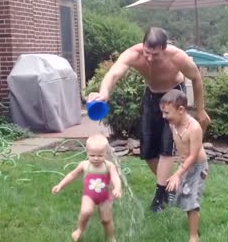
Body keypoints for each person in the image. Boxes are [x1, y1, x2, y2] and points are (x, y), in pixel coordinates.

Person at [87, 27, 211, 212]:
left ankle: (160, 197)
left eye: (156, 54)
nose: (150, 58)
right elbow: (113, 74)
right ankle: (170, 185)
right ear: (143, 46)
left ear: (164, 48)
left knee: (166, 147)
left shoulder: (177, 56)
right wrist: (104, 92)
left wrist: (200, 109)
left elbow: (196, 78)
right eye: (147, 52)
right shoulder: (133, 54)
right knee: (148, 152)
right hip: (151, 96)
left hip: (174, 94)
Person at [52, 134, 122, 242]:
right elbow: (72, 175)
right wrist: (60, 185)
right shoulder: (84, 165)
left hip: (106, 197)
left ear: (106, 153)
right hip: (89, 196)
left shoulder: (109, 165)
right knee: (86, 211)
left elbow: (115, 177)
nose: (96, 158)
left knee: (106, 220)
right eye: (92, 155)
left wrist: (117, 188)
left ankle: (111, 237)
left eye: (100, 155)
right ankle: (79, 230)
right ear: (87, 152)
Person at [160, 89, 209, 242]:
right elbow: (180, 146)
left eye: (167, 113)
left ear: (181, 109)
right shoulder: (173, 124)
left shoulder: (194, 128)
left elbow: (193, 156)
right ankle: (193, 225)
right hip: (185, 164)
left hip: (197, 166)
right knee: (184, 196)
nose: (164, 116)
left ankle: (194, 236)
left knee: (191, 199)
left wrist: (176, 174)